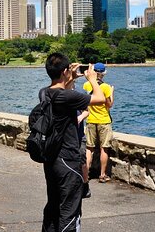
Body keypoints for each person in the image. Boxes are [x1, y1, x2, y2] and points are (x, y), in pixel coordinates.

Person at [40, 53, 105, 232]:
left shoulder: (44, 93)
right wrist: (93, 79)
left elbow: (59, 89)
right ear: (64, 72)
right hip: (68, 160)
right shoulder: (68, 97)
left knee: (53, 206)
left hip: (51, 159)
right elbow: (99, 99)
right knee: (70, 211)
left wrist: (70, 77)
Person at [83, 62, 114, 183]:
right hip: (104, 120)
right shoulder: (105, 87)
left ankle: (86, 174)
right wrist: (112, 92)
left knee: (89, 148)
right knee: (104, 148)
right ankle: (102, 174)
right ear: (103, 74)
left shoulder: (87, 85)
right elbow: (109, 104)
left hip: (90, 119)